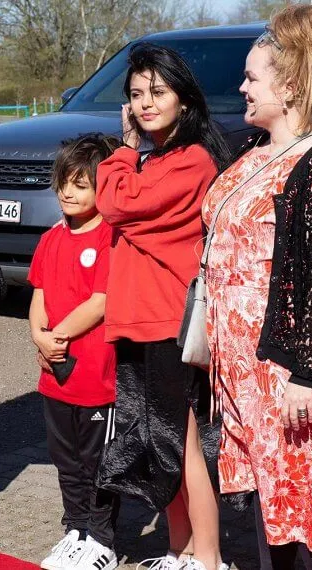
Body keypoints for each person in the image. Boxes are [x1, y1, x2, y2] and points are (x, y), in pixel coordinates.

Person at [203, 5, 312, 570]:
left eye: (253, 78)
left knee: (308, 512)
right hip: (247, 373)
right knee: (272, 510)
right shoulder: (251, 154)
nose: (242, 87)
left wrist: (304, 375)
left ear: (291, 85)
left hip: (292, 375)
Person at [94, 43, 231, 570]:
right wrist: (132, 154)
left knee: (186, 443)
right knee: (162, 445)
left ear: (183, 97)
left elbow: (114, 203)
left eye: (157, 91)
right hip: (137, 320)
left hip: (168, 323)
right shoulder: (155, 160)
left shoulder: (191, 161)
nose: (146, 103)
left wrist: (123, 150)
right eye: (135, 94)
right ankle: (179, 549)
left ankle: (209, 557)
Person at [28, 134, 121, 570]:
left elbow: (101, 301)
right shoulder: (50, 239)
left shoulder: (109, 239)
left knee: (97, 462)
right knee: (66, 460)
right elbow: (39, 293)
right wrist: (39, 335)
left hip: (97, 378)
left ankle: (102, 541)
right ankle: (76, 531)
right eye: (64, 182)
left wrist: (58, 335)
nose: (68, 192)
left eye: (81, 185)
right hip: (55, 376)